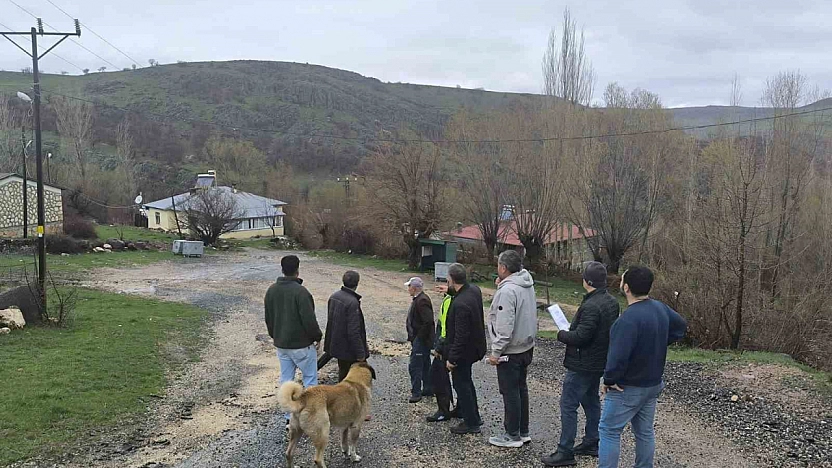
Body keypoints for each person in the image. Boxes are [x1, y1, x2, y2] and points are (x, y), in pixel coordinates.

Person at [598, 266, 687, 468]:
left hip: (628, 387)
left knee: (609, 430)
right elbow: (681, 326)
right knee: (644, 431)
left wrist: (609, 380)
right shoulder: (660, 308)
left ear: (626, 287)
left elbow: (617, 358)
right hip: (652, 384)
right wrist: (658, 342)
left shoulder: (627, 320)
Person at [542, 261, 621, 466]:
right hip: (598, 362)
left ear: (586, 281)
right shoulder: (612, 302)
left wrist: (561, 334)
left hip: (582, 363)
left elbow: (581, 337)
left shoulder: (591, 305)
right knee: (591, 400)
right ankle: (592, 441)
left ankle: (565, 450)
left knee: (568, 405)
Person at [486, 250, 537, 448]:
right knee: (521, 389)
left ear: (503, 268)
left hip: (511, 349)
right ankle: (523, 431)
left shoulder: (508, 291)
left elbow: (505, 326)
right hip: (526, 345)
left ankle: (512, 434)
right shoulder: (526, 283)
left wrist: (496, 352)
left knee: (510, 392)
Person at [264, 255, 323, 426]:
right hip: (301, 345)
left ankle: (290, 418)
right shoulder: (301, 292)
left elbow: (268, 318)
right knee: (310, 380)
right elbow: (309, 320)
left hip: (282, 344)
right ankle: (309, 417)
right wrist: (317, 336)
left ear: (282, 269)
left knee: (286, 380)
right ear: (298, 269)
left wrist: (275, 335)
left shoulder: (272, 290)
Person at [444, 263, 487, 435]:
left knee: (462, 384)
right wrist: (449, 292)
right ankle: (465, 411)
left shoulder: (460, 304)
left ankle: (472, 422)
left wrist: (452, 358)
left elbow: (461, 336)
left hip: (464, 352)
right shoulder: (473, 290)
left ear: (451, 279)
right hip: (475, 347)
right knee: (466, 381)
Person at [323, 270, 369, 382]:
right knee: (352, 376)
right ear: (357, 283)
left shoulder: (334, 296)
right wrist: (360, 353)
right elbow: (353, 331)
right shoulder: (352, 302)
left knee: (342, 372)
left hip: (336, 343)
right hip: (348, 348)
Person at [426, 282, 456, 422]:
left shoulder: (451, 300)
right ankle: (458, 408)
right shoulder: (450, 298)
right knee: (458, 380)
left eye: (448, 283)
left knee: (438, 377)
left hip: (445, 346)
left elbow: (445, 327)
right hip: (447, 344)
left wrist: (438, 347)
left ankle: (443, 410)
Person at [405, 277, 435, 403]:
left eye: (409, 286)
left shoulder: (422, 300)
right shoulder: (419, 299)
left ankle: (416, 392)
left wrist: (419, 338)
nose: (408, 289)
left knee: (415, 366)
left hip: (421, 340)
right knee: (425, 364)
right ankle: (428, 388)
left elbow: (428, 321)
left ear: (414, 287)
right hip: (421, 340)